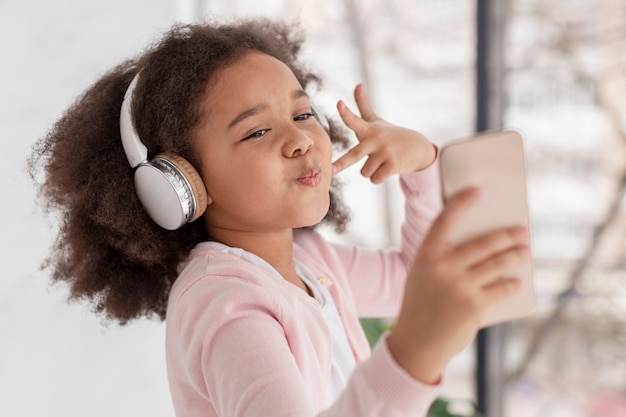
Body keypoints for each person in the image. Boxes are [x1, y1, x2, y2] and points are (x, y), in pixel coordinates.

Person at [29, 19, 530, 417]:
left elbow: (408, 282)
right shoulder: (226, 307)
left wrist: (422, 164)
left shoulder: (310, 262)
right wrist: (414, 356)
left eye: (303, 113)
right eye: (255, 132)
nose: (300, 139)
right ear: (180, 184)